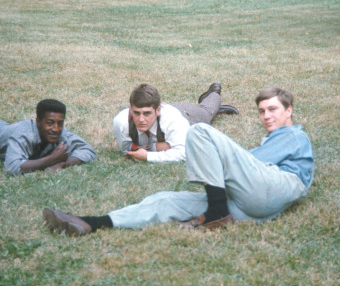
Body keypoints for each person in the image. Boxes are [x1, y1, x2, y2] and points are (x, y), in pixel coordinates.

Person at [42, 87, 314, 236]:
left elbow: (248, 164)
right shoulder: (269, 143)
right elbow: (242, 169)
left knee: (200, 131)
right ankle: (92, 222)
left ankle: (217, 213)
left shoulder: (294, 135)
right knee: (165, 200)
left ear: (289, 110)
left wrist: (217, 165)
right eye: (261, 111)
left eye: (273, 109)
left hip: (276, 186)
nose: (266, 116)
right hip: (255, 207)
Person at [113, 83, 238, 162]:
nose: (141, 119)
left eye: (147, 113)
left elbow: (184, 153)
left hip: (186, 115)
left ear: (158, 110)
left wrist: (148, 156)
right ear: (130, 110)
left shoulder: (172, 119)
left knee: (206, 112)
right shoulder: (121, 122)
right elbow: (127, 150)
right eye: (136, 113)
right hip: (169, 117)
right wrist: (157, 147)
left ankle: (213, 94)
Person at [0, 99, 97, 175]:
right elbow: (11, 167)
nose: (56, 129)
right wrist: (52, 159)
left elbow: (88, 150)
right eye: (49, 123)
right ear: (38, 121)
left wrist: (62, 163)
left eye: (60, 123)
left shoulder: (61, 132)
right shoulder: (23, 134)